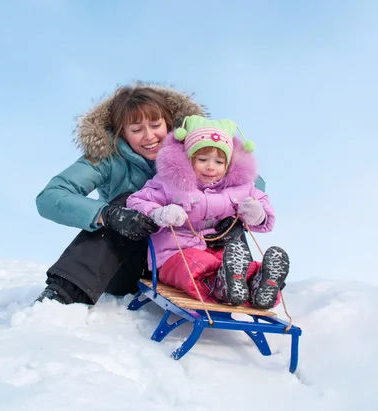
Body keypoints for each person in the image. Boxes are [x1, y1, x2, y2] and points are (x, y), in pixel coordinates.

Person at [34, 82, 265, 305]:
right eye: (136, 130)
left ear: (169, 124)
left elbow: (251, 182)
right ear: (122, 134)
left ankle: (244, 282)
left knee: (220, 199)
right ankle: (63, 292)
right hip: (129, 263)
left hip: (193, 255)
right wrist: (108, 215)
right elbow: (51, 196)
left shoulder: (195, 151)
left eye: (156, 125)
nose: (149, 136)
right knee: (126, 202)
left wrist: (234, 218)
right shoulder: (108, 159)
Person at [126, 115, 289, 309]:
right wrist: (159, 214)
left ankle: (260, 282)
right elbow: (136, 201)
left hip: (217, 249)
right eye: (203, 159)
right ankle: (220, 285)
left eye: (219, 162)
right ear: (189, 159)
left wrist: (258, 214)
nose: (211, 167)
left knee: (235, 264)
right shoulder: (169, 183)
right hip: (174, 252)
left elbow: (262, 206)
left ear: (227, 164)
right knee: (195, 265)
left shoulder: (240, 187)